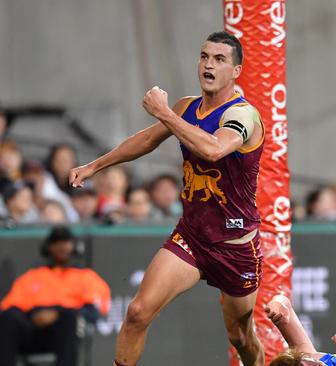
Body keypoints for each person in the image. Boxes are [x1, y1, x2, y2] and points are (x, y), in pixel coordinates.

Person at [68, 31, 265, 366]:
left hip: (235, 244)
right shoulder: (186, 107)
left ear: (236, 72)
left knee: (241, 338)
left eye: (219, 59)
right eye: (204, 56)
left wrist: (165, 113)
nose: (208, 64)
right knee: (137, 313)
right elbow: (147, 140)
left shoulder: (243, 115)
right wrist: (95, 166)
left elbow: (214, 149)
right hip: (192, 235)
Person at [0, 226, 110, 366]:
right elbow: (10, 307)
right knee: (8, 318)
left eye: (66, 242)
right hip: (33, 329)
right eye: (57, 242)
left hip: (64, 331)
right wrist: (36, 317)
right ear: (48, 247)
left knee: (70, 318)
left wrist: (57, 314)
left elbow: (94, 312)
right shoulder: (33, 276)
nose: (61, 247)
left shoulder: (86, 277)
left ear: (74, 246)